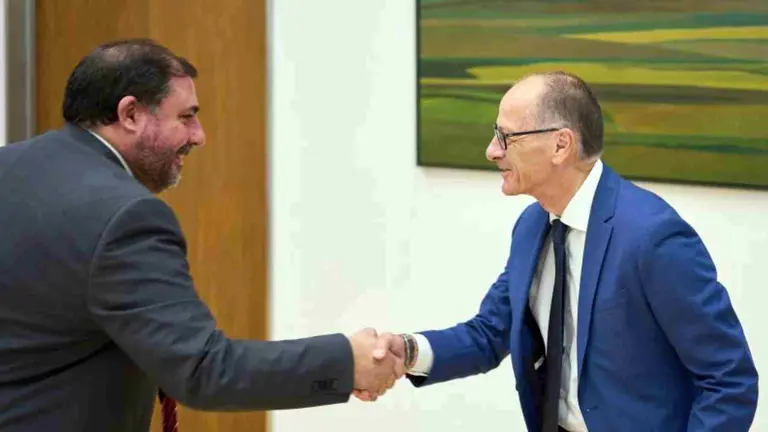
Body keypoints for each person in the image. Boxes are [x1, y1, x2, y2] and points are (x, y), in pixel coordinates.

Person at [0, 38, 402, 431]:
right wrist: (348, 362)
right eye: (186, 117)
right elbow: (203, 369)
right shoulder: (125, 216)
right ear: (130, 114)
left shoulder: (9, 166)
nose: (199, 135)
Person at [357, 71, 759, 431]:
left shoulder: (652, 238)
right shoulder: (533, 225)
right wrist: (407, 350)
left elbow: (729, 379)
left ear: (560, 145)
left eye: (506, 137)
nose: (492, 151)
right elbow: (491, 332)